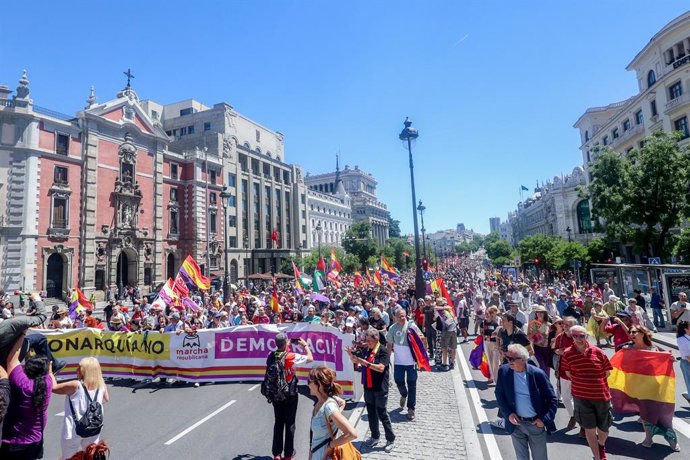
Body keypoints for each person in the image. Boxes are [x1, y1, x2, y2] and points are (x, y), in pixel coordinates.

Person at [495, 344, 558, 460]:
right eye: (507, 358)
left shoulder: (537, 374)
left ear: (523, 359)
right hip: (516, 424)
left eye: (512, 359)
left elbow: (552, 399)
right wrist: (508, 414)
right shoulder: (503, 371)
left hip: (535, 424)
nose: (508, 361)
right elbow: (499, 395)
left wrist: (544, 420)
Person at [560, 326, 613, 460]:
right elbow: (568, 374)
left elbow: (607, 372)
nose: (578, 339)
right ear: (572, 337)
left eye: (581, 336)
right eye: (575, 336)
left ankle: (601, 444)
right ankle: (597, 456)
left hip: (601, 396)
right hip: (581, 397)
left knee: (604, 428)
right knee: (589, 428)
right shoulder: (567, 353)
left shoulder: (599, 352)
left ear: (587, 337)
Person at [1, 333, 53, 459]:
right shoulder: (47, 383)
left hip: (14, 442)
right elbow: (49, 370)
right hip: (35, 442)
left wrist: (21, 334)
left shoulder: (22, 384)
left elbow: (11, 359)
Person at [263, 333, 313, 460]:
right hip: (290, 393)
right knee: (290, 423)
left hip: (275, 394)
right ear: (286, 343)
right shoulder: (291, 356)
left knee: (278, 422)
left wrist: (286, 345)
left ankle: (276, 453)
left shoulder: (270, 355)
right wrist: (305, 345)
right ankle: (288, 454)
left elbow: (280, 355)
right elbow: (310, 358)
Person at [346, 328, 395, 452]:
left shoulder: (382, 351)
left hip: (380, 387)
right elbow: (357, 361)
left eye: (369, 341)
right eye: (366, 340)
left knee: (382, 413)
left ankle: (390, 439)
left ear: (376, 339)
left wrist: (365, 363)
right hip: (368, 386)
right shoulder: (366, 349)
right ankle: (375, 436)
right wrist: (351, 355)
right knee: (371, 413)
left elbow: (380, 368)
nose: (367, 343)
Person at [51, 358, 109, 459]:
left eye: (79, 368)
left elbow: (53, 388)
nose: (76, 370)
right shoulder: (101, 385)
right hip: (93, 427)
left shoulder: (75, 385)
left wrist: (50, 372)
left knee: (68, 457)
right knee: (90, 456)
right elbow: (106, 399)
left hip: (73, 430)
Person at [308, 366, 357, 460]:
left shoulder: (328, 407)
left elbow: (352, 434)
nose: (308, 385)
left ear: (319, 384)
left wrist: (330, 446)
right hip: (316, 453)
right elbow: (342, 402)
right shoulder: (319, 404)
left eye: (309, 381)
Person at [386, 307, 425, 421]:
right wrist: (387, 358)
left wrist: (413, 335)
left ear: (406, 315)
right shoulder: (392, 328)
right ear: (395, 317)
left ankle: (411, 409)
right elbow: (389, 344)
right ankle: (403, 393)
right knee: (398, 380)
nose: (402, 318)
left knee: (412, 383)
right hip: (399, 362)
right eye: (399, 316)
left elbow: (422, 337)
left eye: (403, 315)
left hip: (411, 362)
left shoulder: (412, 326)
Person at [527, 306, 551, 377]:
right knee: (542, 367)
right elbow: (529, 337)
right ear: (536, 313)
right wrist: (531, 348)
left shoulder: (549, 325)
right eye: (538, 312)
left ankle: (546, 384)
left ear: (545, 314)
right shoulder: (532, 324)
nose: (540, 314)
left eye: (542, 312)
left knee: (547, 368)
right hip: (537, 349)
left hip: (547, 349)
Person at [482, 306, 501, 384]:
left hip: (495, 343)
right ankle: (491, 376)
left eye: (488, 313)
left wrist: (499, 344)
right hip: (487, 343)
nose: (487, 315)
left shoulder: (497, 322)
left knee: (496, 362)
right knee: (489, 360)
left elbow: (499, 333)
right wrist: (485, 337)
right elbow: (482, 332)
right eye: (486, 313)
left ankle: (496, 378)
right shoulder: (484, 322)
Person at [677, 320, 690, 405]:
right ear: (686, 328)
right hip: (687, 362)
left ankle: (687, 394)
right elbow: (686, 355)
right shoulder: (681, 339)